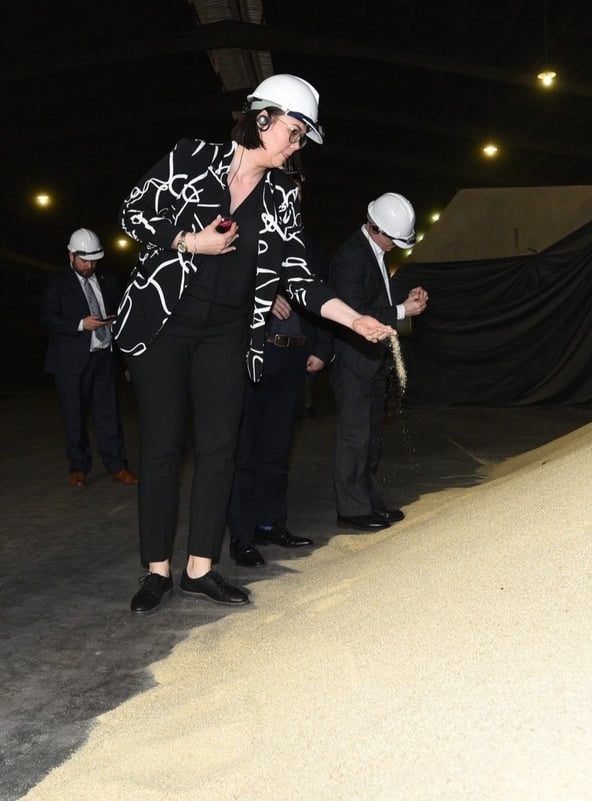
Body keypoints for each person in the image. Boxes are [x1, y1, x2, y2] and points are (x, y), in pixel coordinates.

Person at [116, 74, 396, 614]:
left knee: (221, 450)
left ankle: (201, 568)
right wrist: (190, 241)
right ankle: (157, 571)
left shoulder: (281, 196)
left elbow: (300, 274)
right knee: (163, 448)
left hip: (228, 334)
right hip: (164, 327)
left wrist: (352, 318)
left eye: (302, 138)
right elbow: (132, 212)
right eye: (294, 132)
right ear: (263, 118)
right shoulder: (191, 156)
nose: (296, 146)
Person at [226, 164, 331, 567]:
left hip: (293, 355)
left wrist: (322, 347)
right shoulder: (241, 234)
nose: (292, 199)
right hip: (255, 352)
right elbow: (222, 286)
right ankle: (243, 535)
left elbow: (322, 297)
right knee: (245, 449)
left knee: (277, 448)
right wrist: (264, 299)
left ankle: (272, 524)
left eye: (298, 192)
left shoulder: (310, 244)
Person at [328, 192, 428, 531]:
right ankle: (351, 510)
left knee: (370, 437)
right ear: (374, 226)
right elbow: (354, 313)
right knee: (354, 437)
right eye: (393, 239)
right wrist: (401, 311)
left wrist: (403, 302)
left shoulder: (376, 253)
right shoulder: (350, 257)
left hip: (372, 359)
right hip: (353, 361)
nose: (395, 246)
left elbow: (375, 303)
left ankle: (369, 502)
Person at [40, 228, 138, 488]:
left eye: (94, 260)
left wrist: (117, 321)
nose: (90, 265)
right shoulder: (57, 282)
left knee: (110, 415)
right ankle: (78, 468)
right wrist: (80, 324)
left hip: (104, 358)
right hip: (71, 361)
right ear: (71, 255)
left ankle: (117, 466)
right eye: (85, 260)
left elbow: (120, 310)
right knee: (75, 415)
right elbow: (47, 317)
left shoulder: (108, 280)